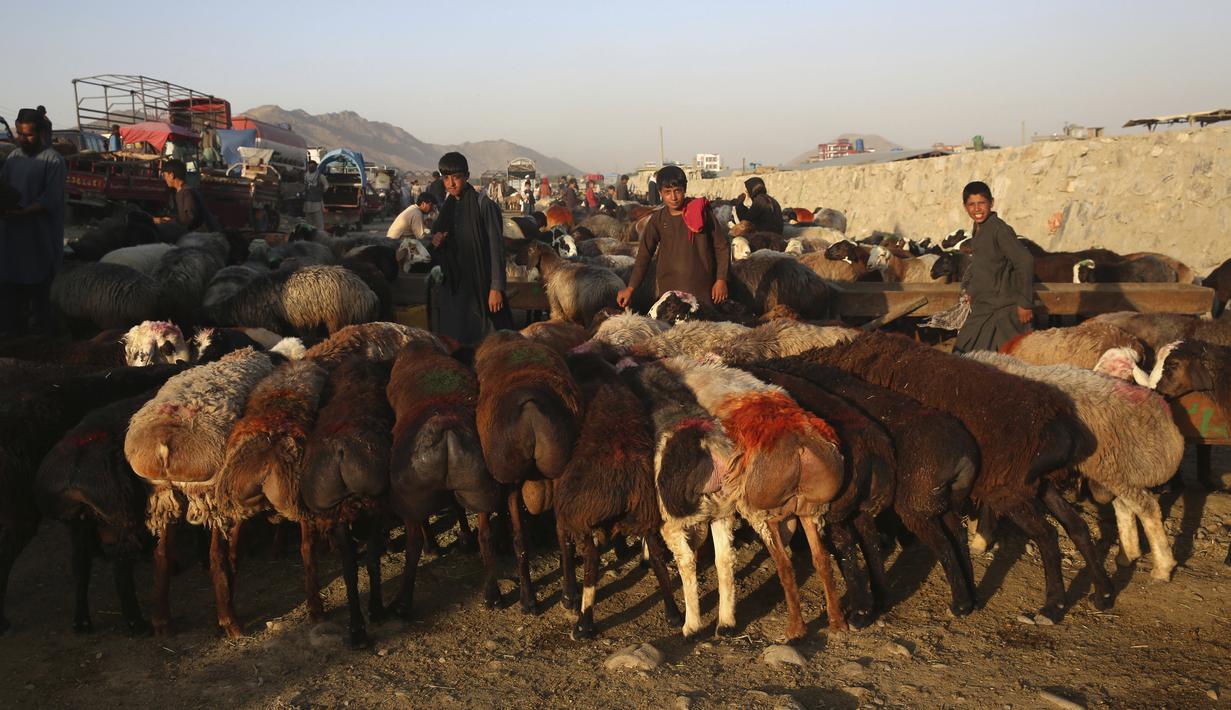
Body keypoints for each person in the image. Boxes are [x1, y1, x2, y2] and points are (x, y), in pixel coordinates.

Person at [428, 152, 513, 345]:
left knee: (490, 343)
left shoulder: (484, 205)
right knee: (456, 341)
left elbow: (496, 248)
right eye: (446, 178)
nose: (450, 183)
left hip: (481, 286)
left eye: (456, 177)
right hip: (456, 286)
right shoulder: (448, 207)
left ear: (466, 176)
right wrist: (437, 242)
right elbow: (438, 243)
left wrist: (496, 288)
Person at [618, 165, 729, 309]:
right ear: (660, 193)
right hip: (669, 292)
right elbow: (644, 254)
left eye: (678, 191)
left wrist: (721, 279)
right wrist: (631, 288)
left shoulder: (701, 214)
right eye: (668, 192)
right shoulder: (658, 219)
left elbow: (721, 247)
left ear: (685, 189)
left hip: (701, 290)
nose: (674, 197)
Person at [0, 106, 66, 335]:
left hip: (40, 241)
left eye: (28, 134)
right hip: (11, 241)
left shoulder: (53, 161)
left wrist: (25, 212)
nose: (22, 139)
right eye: (19, 134)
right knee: (10, 299)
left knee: (41, 301)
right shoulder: (14, 157)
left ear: (41, 134)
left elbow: (51, 198)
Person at [953, 181, 1035, 353]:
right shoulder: (979, 228)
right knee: (967, 357)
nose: (977, 209)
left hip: (1004, 310)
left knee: (1013, 362)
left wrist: (1025, 304)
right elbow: (983, 266)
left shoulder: (1000, 230)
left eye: (981, 203)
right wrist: (971, 291)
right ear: (965, 207)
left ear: (992, 202)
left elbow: (1025, 261)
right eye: (971, 204)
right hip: (984, 307)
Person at [158, 159, 219, 233]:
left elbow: (188, 219)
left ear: (171, 175)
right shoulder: (183, 191)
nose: (165, 178)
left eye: (165, 175)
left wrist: (166, 222)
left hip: (202, 234)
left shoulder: (187, 192)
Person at [302, 159, 330, 231]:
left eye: (312, 166)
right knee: (308, 222)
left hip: (317, 203)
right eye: (309, 166)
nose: (311, 167)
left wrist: (320, 192)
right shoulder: (305, 176)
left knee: (318, 222)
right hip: (307, 203)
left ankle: (320, 236)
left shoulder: (321, 176)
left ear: (316, 167)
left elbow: (326, 186)